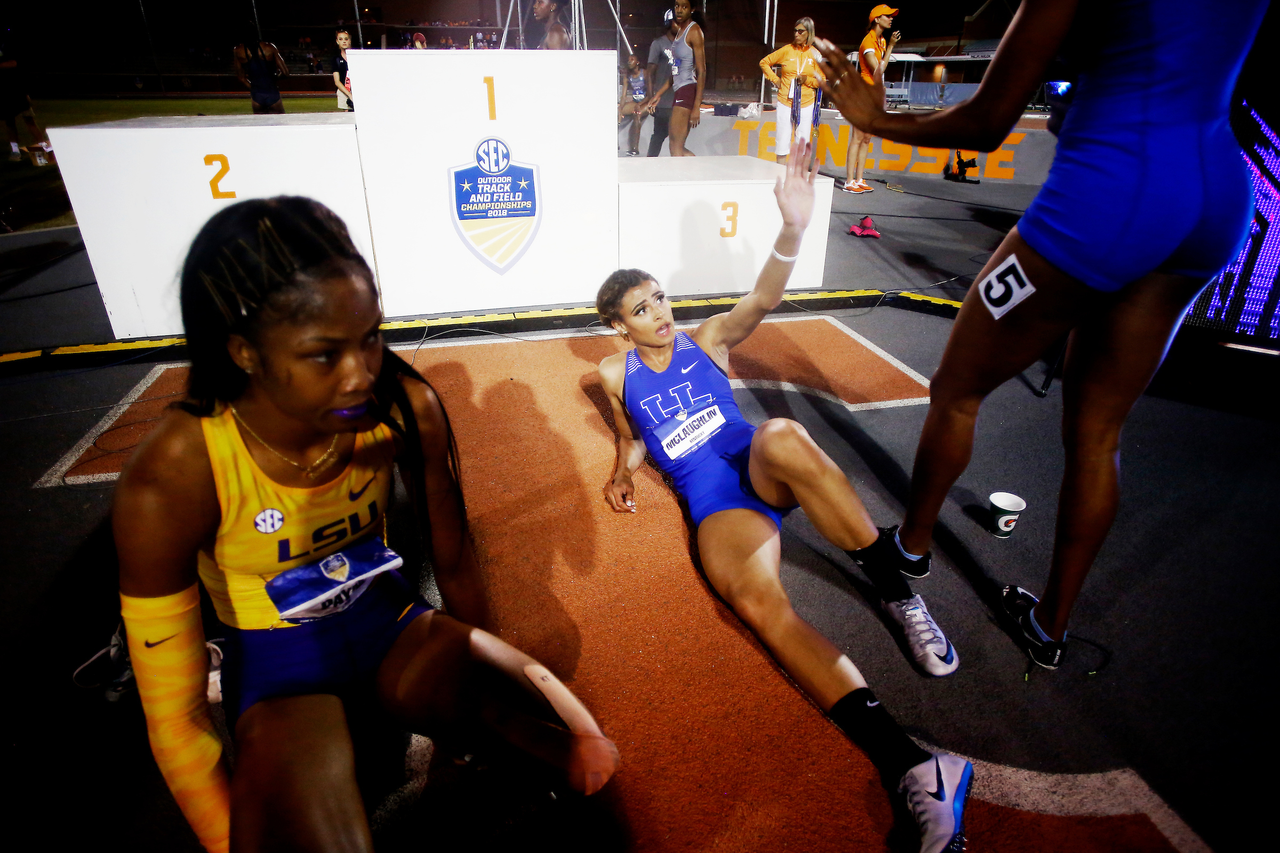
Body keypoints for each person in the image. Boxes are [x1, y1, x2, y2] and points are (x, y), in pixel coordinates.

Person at [114, 197, 620, 852]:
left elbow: (453, 557)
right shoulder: (175, 473)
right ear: (244, 352)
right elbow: (177, 719)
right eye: (325, 355)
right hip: (277, 666)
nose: (362, 375)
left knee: (555, 739)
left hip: (390, 625)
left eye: (371, 337)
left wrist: (472, 696)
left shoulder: (403, 406)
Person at [814, 0, 1267, 668]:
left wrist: (876, 119)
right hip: (1216, 195)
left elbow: (987, 122)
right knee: (1099, 433)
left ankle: (910, 549)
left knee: (958, 388)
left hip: (1112, 194)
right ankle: (1049, 628)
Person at [595, 137, 969, 853]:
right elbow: (631, 436)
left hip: (757, 461)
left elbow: (763, 298)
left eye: (660, 297)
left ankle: (899, 594)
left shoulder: (708, 338)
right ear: (619, 325)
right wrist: (621, 471)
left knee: (782, 436)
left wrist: (793, 226)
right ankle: (914, 767)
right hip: (714, 503)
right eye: (642, 309)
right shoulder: (614, 375)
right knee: (759, 607)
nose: (660, 313)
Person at [844, 5, 899, 193]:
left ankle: (859, 179)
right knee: (857, 137)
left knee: (867, 138)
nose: (891, 18)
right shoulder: (868, 42)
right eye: (887, 16)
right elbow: (878, 70)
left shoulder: (881, 40)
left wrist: (888, 45)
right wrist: (891, 46)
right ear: (876, 19)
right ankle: (849, 182)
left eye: (891, 16)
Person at [758, 17, 825, 165]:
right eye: (795, 31)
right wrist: (776, 80)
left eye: (800, 31)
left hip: (806, 103)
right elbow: (764, 62)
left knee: (802, 143)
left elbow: (822, 81)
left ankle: (797, 176)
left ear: (809, 33)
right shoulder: (787, 50)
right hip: (785, 101)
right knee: (782, 140)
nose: (796, 34)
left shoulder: (815, 54)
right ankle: (780, 173)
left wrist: (806, 80)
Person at [642, 12, 679, 158]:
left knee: (677, 139)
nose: (680, 26)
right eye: (676, 22)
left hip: (679, 100)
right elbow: (649, 73)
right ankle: (650, 164)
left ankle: (677, 167)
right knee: (659, 135)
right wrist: (651, 98)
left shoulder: (684, 44)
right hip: (663, 101)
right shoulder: (658, 44)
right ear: (668, 23)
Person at [233, 34, 289, 115]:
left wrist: (255, 88)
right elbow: (285, 72)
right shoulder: (270, 47)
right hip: (272, 92)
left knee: (260, 122)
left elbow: (241, 78)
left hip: (257, 96)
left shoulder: (238, 50)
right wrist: (275, 79)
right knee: (280, 122)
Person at [618, 52, 647, 156]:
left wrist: (640, 104)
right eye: (628, 60)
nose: (629, 62)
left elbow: (650, 93)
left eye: (632, 60)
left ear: (637, 62)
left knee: (637, 114)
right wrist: (620, 109)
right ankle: (615, 141)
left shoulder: (644, 73)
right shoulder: (627, 76)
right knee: (616, 112)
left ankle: (634, 148)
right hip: (635, 102)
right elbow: (624, 96)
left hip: (646, 102)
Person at [332, 29, 353, 111]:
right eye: (340, 39)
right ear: (337, 41)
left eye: (346, 39)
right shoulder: (336, 59)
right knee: (347, 114)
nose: (344, 41)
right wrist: (349, 94)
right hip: (344, 91)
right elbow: (337, 82)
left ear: (349, 41)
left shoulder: (355, 57)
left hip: (356, 91)